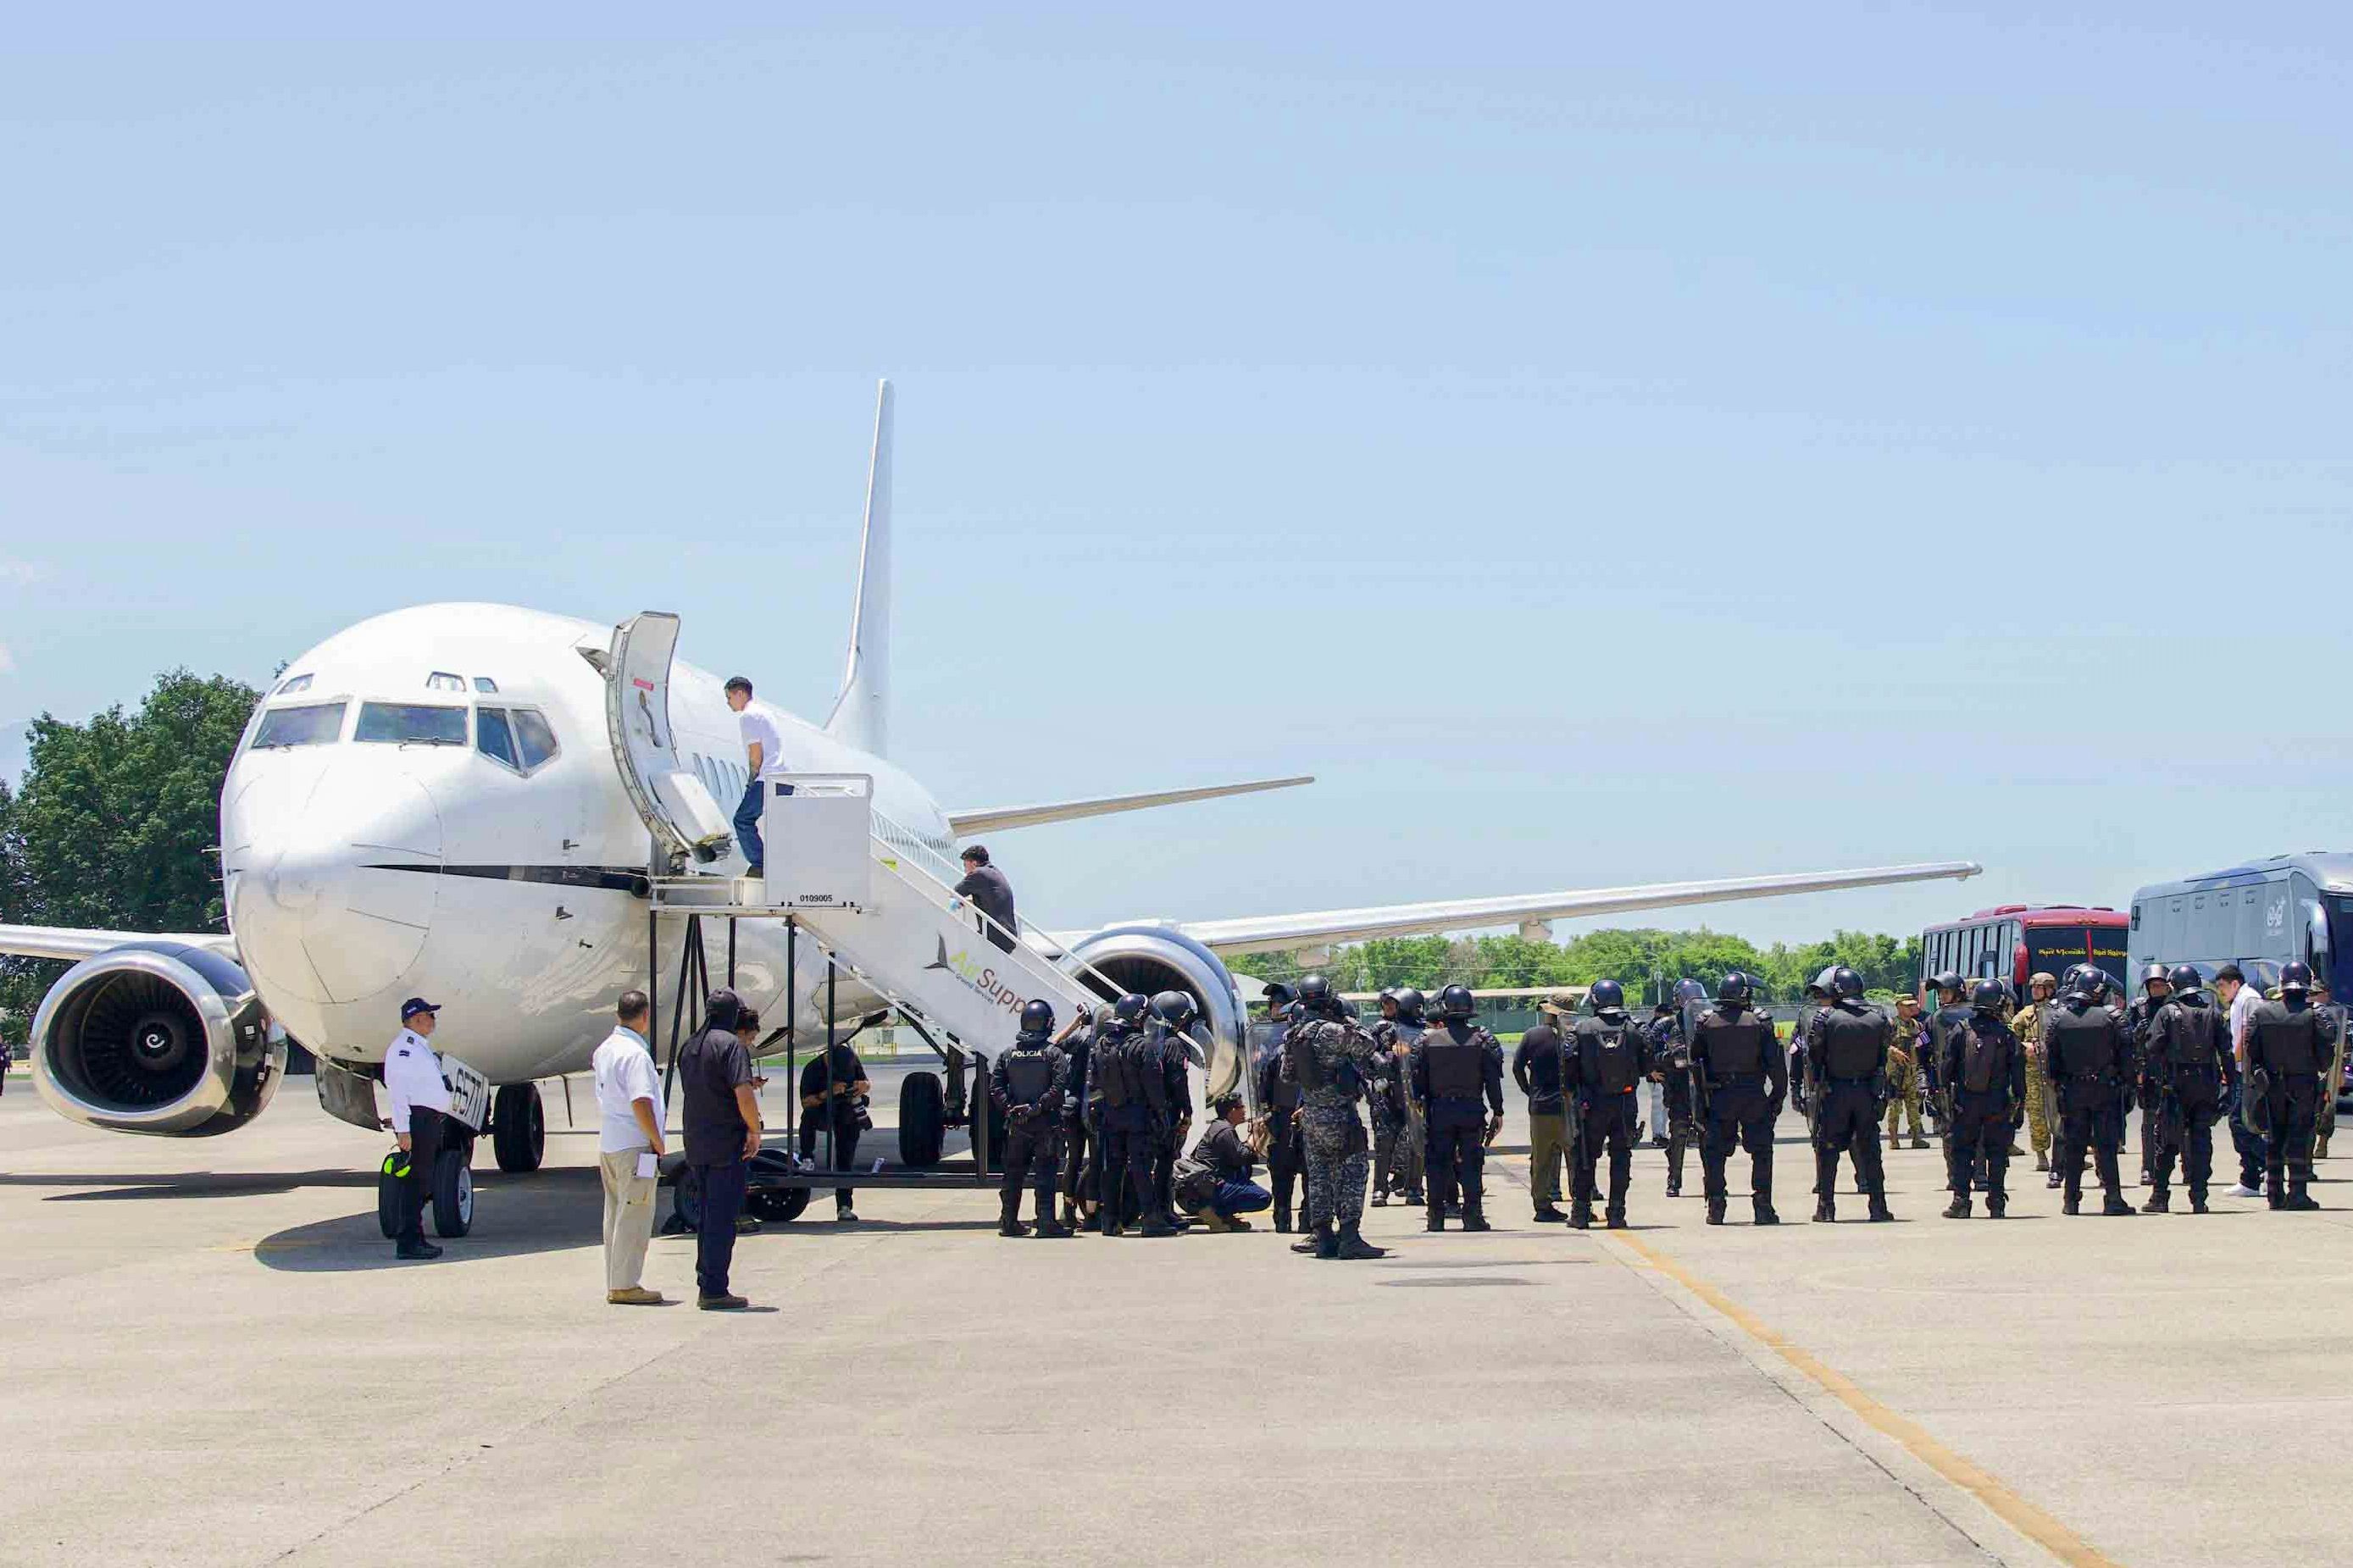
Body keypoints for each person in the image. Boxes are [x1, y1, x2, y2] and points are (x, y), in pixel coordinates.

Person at [1282, 973, 1386, 1260]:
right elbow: (1367, 1045)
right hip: (1340, 1116)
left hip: (1312, 1118)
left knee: (1319, 1177)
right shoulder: (1333, 1031)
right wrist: (1348, 1022)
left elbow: (1287, 1075)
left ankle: (1324, 1237)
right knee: (1354, 1173)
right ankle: (1350, 1237)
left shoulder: (1294, 1035)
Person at [678, 989, 760, 1308]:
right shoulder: (730, 1045)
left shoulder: (690, 1046)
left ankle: (706, 1280)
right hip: (727, 1144)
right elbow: (743, 1093)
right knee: (722, 1219)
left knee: (708, 1216)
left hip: (697, 1142)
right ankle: (714, 1288)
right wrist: (754, 1129)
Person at [1690, 971, 1787, 1226]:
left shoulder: (1705, 1022)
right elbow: (1775, 1062)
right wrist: (1777, 1095)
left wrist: (1701, 1099)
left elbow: (1696, 1061)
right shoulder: (1760, 1021)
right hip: (1752, 1093)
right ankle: (1763, 1206)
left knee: (1714, 1153)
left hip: (1719, 1095)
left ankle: (1716, 1205)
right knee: (1762, 1151)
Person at [591, 990, 666, 1304]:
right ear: (645, 1016)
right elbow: (641, 1101)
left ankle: (615, 1279)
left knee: (615, 1215)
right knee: (635, 1215)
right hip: (634, 1144)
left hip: (610, 1142)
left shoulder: (605, 1049)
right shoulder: (635, 1055)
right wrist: (658, 1142)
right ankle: (625, 1284)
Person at [1411, 983, 1505, 1233]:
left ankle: (1435, 1217)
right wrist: (1498, 1110)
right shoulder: (1483, 1038)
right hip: (1471, 1110)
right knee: (1472, 1164)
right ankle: (1473, 1216)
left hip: (1439, 1110)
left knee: (1437, 1164)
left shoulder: (1427, 1041)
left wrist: (1419, 1103)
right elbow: (1493, 1079)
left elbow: (1416, 1081)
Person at [1804, 967, 1894, 1222]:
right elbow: (1883, 1055)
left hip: (1835, 1091)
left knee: (1828, 1149)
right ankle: (1878, 1206)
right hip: (1867, 1091)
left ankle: (1826, 1207)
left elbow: (1815, 1055)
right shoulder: (1879, 1018)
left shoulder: (1825, 1018)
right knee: (1870, 1150)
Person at [2145, 964, 2234, 1213]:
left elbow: (2152, 1048)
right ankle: (2199, 1198)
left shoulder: (2167, 1013)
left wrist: (2151, 1082)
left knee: (2167, 1141)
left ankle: (2160, 1197)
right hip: (2206, 1084)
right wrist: (2231, 1085)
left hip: (2175, 1085)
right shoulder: (2214, 1014)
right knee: (2201, 1140)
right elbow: (2226, 1052)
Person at [2044, 964, 2132, 1216]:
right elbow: (2126, 1059)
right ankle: (2113, 1198)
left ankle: (2071, 1200)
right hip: (2104, 1090)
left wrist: (2060, 1086)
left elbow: (2052, 1062)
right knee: (2106, 1146)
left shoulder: (2059, 1019)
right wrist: (2127, 1086)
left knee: (2074, 1146)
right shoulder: (2113, 1017)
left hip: (2072, 1090)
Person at [1564, 979, 1649, 1230]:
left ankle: (1580, 1213)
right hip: (1624, 1102)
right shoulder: (1634, 1029)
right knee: (1621, 1158)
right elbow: (1647, 1066)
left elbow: (1569, 1069)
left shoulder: (1581, 1029)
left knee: (1585, 1158)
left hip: (1592, 1103)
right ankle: (1616, 1213)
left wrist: (1577, 1092)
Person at [2245, 960, 2327, 1210]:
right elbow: (2325, 1058)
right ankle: (2298, 1194)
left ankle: (2274, 1194)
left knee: (2274, 1139)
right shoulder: (2314, 1015)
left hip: (2272, 1086)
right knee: (2299, 1140)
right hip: (2303, 1085)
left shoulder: (2262, 1013)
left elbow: (2252, 1053)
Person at [1939, 981, 2025, 1218]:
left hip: (1966, 1103)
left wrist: (1945, 1099)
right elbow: (2017, 1074)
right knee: (1997, 1152)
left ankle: (1961, 1202)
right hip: (1997, 1103)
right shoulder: (2007, 1035)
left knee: (1962, 1152)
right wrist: (2020, 1105)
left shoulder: (1960, 1029)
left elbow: (1946, 1069)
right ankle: (1997, 1202)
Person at [990, 1000, 1071, 1238]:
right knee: (1045, 1174)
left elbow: (995, 1087)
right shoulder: (1053, 1053)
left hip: (1017, 1125)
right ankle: (1046, 1222)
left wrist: (1011, 1109)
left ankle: (1008, 1221)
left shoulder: (1008, 1054)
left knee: (1013, 1175)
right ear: (1046, 1023)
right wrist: (1035, 1108)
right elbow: (1058, 1089)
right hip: (1045, 1124)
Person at [1093, 993, 1172, 1238]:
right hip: (1138, 1115)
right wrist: (1162, 1113)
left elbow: (1094, 1080)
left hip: (1111, 1114)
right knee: (1140, 1167)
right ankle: (1151, 1219)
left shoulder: (1102, 1044)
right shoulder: (1142, 1046)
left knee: (1113, 1168)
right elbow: (1153, 1085)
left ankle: (1110, 1221)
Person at [382, 996, 453, 1261]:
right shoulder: (404, 1049)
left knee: (422, 1181)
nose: (434, 1020)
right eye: (430, 1015)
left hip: (428, 1120)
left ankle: (416, 1239)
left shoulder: (419, 1047)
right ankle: (409, 1242)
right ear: (417, 1019)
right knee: (414, 1183)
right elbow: (399, 1092)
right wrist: (403, 1130)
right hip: (417, 1121)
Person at [797, 1029, 871, 1223]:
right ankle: (807, 1156)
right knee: (807, 1118)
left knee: (845, 1160)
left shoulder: (851, 1061)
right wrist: (827, 1093)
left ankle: (844, 1206)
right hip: (823, 1109)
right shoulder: (813, 1069)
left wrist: (863, 1086)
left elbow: (866, 1081)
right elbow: (806, 1102)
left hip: (847, 1111)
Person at [1513, 993, 1575, 1222]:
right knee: (1575, 1157)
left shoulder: (1533, 1035)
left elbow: (1517, 1067)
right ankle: (1580, 1204)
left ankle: (1542, 1205)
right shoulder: (1574, 1035)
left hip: (1541, 1106)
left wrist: (1529, 1091)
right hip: (1569, 1105)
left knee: (1541, 1159)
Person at [1368, 988, 1428, 1208]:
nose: (1391, 1008)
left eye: (1395, 1004)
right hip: (1389, 1093)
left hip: (1414, 1094)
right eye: (1388, 1004)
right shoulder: (1381, 1029)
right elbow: (1367, 1054)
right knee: (1384, 1144)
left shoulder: (1422, 1031)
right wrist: (1385, 1060)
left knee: (1417, 1142)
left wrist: (1408, 1053)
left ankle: (1413, 1187)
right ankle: (1380, 1189)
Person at [1254, 989, 1307, 1232]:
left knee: (1285, 1174)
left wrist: (1268, 1113)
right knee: (1305, 1172)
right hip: (1296, 1118)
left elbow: (1263, 1089)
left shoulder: (1279, 1054)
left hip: (1286, 1118)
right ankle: (1304, 1220)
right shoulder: (1311, 1052)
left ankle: (1284, 1220)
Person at [1146, 991, 1200, 1231]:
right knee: (1166, 1163)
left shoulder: (1148, 1042)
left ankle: (1156, 1209)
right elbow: (1179, 1083)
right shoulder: (1175, 1045)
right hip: (1168, 1114)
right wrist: (1187, 1113)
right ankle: (1165, 1210)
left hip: (1148, 1113)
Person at [1184, 1092, 1273, 1231]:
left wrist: (1258, 1135)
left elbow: (1243, 1155)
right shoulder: (1225, 1131)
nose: (1244, 1110)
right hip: (1209, 1188)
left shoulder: (1220, 1126)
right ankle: (1216, 1211)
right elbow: (1245, 1157)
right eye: (1241, 1107)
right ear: (1232, 1111)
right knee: (1262, 1197)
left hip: (1205, 1187)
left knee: (1244, 1170)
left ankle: (1222, 1213)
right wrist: (1256, 1134)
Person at [2216, 964, 2267, 1198]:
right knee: (2240, 1122)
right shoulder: (2239, 1001)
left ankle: (2268, 1163)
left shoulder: (2250, 999)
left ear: (2234, 983)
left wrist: (2232, 1060)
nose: (2221, 992)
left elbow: (2248, 1034)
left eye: (2222, 987)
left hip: (2246, 1073)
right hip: (2239, 1071)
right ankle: (2251, 1178)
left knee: (2242, 1122)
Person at [723, 677, 780, 878]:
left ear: (740, 694)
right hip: (783, 779)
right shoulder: (766, 713)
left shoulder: (748, 717)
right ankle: (773, 863)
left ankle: (761, 864)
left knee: (742, 820)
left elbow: (756, 754)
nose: (728, 703)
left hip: (767, 778)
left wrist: (751, 781)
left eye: (729, 697)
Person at [2124, 963, 2173, 1184]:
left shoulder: (2175, 1008)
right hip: (2148, 1068)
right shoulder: (2139, 1008)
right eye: (2153, 985)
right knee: (2149, 1120)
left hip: (2171, 1068)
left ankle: (2188, 1166)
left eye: (2161, 985)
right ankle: (2148, 1167)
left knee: (2180, 1121)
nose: (2157, 989)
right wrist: (2138, 1031)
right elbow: (2125, 1036)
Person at [1055, 1005, 1100, 1229]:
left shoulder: (1080, 1040)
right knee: (1095, 1162)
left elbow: (1053, 1045)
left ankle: (1069, 1210)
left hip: (1072, 1108)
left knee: (1073, 1160)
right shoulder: (1106, 1044)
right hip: (1095, 1108)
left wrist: (1075, 1024)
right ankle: (1092, 1213)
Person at [2014, 971, 2059, 1177]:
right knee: (2036, 1114)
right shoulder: (2024, 1016)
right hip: (2032, 1073)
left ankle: (2064, 1154)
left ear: (2050, 989)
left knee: (2061, 1113)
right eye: (2032, 987)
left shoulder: (2059, 1012)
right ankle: (2041, 1155)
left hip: (2055, 1070)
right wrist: (2025, 1046)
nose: (2034, 991)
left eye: (2039, 987)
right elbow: (2009, 1038)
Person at [952, 844, 1018, 955]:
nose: (965, 871)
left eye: (965, 865)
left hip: (994, 936)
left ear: (974, 863)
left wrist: (956, 904)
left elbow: (955, 894)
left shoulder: (978, 874)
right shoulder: (994, 872)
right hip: (1007, 936)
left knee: (959, 951)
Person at [1884, 994, 1928, 1150]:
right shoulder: (1891, 1024)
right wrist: (1894, 1052)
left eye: (1913, 1005)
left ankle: (1917, 1137)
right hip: (1895, 1073)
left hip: (1912, 1072)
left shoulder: (1917, 1025)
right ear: (1899, 1007)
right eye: (1908, 1005)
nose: (1912, 1008)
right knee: (1895, 1108)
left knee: (1914, 1106)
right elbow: (1882, 1045)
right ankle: (1894, 1139)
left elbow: (1924, 1046)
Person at [2313, 979, 2346, 1160]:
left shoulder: (2338, 1013)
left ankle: (2322, 1143)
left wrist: (2340, 1070)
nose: (2315, 996)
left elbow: (2343, 1046)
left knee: (2328, 1106)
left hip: (2331, 1065)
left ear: (2326, 993)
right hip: (2311, 1064)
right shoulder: (2307, 1010)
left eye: (2317, 993)